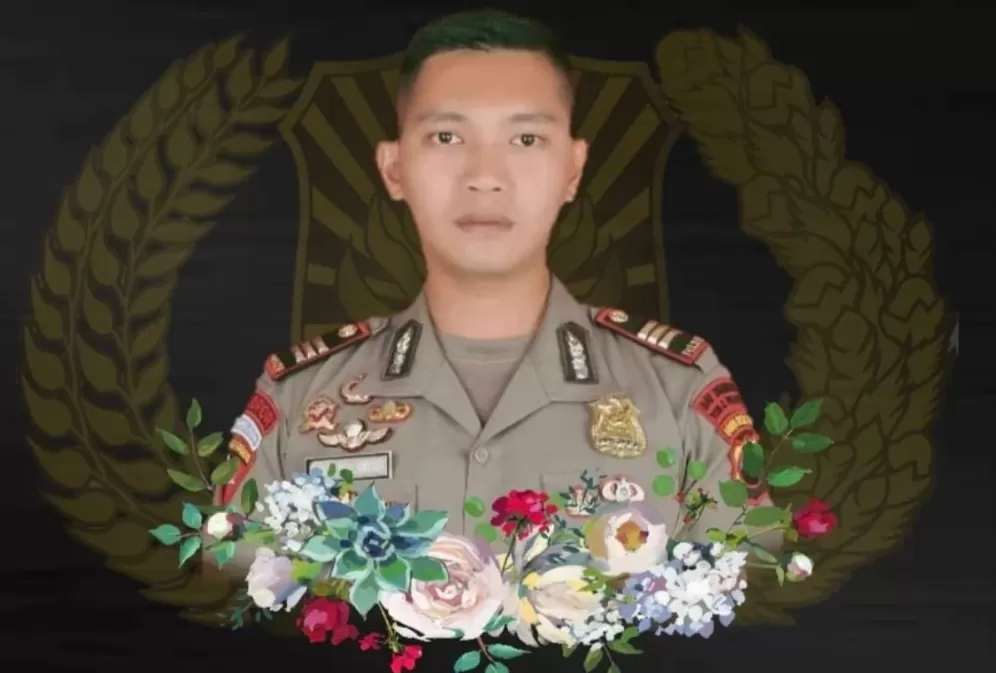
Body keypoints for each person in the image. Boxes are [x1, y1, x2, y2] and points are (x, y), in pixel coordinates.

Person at [212, 9, 775, 571]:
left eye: (526, 138)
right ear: (394, 168)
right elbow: (232, 595)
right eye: (447, 136)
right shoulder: (299, 399)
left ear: (573, 168)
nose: (485, 176)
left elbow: (751, 593)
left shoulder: (677, 392)